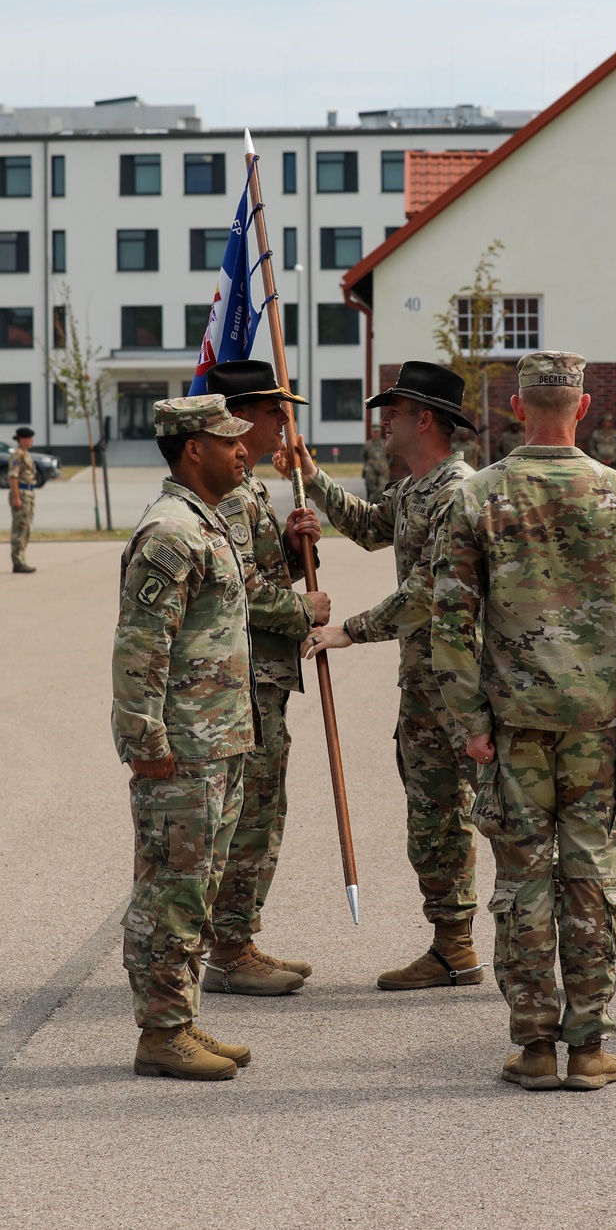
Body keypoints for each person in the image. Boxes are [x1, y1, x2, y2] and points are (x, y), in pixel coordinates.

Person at [431, 351, 616, 1091]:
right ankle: (590, 1047)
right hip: (597, 724)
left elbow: (449, 621)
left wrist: (467, 720)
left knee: (523, 883)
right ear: (584, 406)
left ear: (515, 409)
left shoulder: (476, 497)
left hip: (512, 725)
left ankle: (536, 1047)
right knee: (591, 878)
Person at [278, 361, 482, 991]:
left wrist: (351, 629)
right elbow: (370, 527)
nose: (381, 421)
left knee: (484, 816)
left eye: (392, 412)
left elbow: (431, 591)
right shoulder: (416, 487)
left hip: (462, 687)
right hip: (423, 687)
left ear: (426, 420)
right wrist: (311, 477)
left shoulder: (458, 490)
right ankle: (454, 948)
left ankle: (530, 951)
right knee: (434, 820)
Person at [112, 394, 258, 1081]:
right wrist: (146, 744)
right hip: (183, 753)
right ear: (192, 449)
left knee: (196, 892)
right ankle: (160, 1034)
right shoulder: (172, 533)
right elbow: (140, 650)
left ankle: (182, 1018)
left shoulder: (209, 523)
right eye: (230, 441)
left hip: (217, 744)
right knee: (170, 892)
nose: (244, 450)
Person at [203, 360, 331, 997]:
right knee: (248, 813)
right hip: (240, 681)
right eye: (277, 412)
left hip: (264, 680)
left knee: (262, 809)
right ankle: (227, 949)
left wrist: (293, 541)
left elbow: (263, 569)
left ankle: (239, 935)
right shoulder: (226, 492)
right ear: (242, 417)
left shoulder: (248, 485)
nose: (286, 423)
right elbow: (239, 593)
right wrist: (305, 608)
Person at [8, 425, 37, 574]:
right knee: (19, 528)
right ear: (22, 439)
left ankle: (21, 559)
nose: (31, 440)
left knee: (26, 528)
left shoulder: (25, 453)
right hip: (21, 493)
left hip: (28, 494)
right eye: (29, 438)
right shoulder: (18, 454)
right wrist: (16, 497)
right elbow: (13, 477)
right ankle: (18, 561)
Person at [361, 429, 391, 501]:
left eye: (377, 432)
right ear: (372, 433)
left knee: (382, 488)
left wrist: (385, 464)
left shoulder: (384, 443)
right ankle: (371, 505)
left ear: (380, 433)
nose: (376, 434)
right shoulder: (368, 445)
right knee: (372, 489)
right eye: (374, 432)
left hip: (383, 469)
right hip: (371, 469)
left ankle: (381, 504)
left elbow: (389, 456)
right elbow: (364, 456)